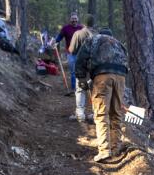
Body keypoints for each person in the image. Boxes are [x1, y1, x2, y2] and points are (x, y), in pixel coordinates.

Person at [75, 28, 128, 163]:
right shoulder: (118, 43)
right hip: (121, 76)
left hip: (102, 75)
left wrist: (81, 78)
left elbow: (81, 57)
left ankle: (104, 151)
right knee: (116, 113)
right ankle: (115, 148)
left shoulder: (93, 39)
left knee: (101, 113)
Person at [68, 15, 97, 123]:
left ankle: (80, 115)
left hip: (81, 67)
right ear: (93, 23)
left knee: (80, 90)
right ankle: (95, 114)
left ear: (83, 23)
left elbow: (71, 50)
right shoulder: (98, 35)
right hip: (95, 69)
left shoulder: (78, 34)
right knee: (95, 91)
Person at [51, 13, 84, 92]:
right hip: (70, 53)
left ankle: (80, 87)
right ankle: (74, 88)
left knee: (80, 71)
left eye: (75, 18)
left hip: (80, 53)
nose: (74, 20)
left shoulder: (81, 28)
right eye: (72, 19)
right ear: (70, 20)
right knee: (73, 71)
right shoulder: (66, 28)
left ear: (78, 19)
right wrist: (56, 41)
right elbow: (59, 37)